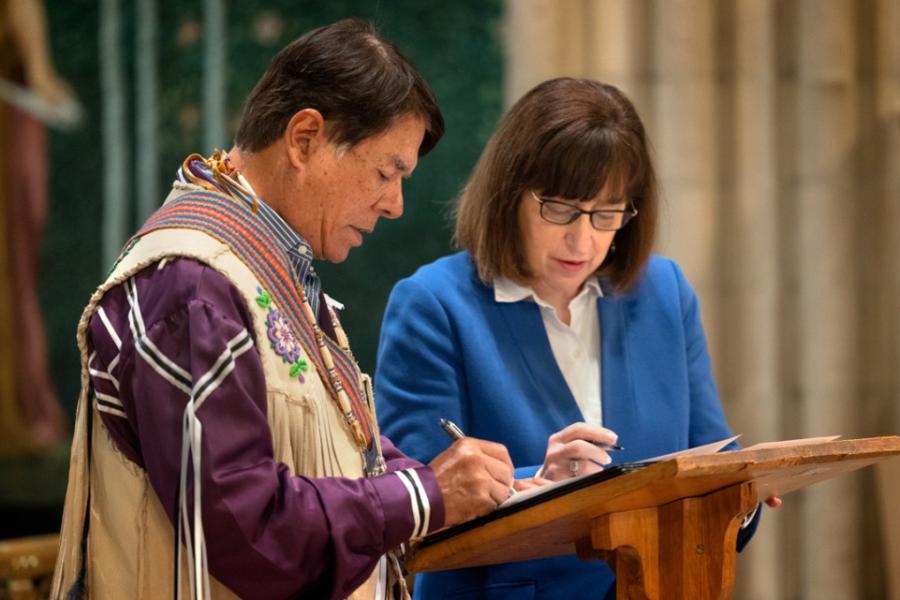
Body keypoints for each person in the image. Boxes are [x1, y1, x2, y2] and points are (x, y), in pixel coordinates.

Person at [51, 19, 516, 600]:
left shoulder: (262, 266)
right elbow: (248, 528)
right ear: (304, 139)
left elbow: (348, 452)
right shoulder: (192, 285)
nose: (395, 205)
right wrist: (424, 496)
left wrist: (513, 487)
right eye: (386, 171)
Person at [375, 78, 773, 599]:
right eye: (559, 209)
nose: (582, 240)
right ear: (509, 193)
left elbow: (712, 453)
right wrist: (537, 482)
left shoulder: (664, 292)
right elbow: (415, 510)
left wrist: (743, 495)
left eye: (607, 214)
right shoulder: (434, 304)